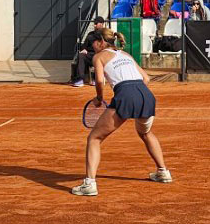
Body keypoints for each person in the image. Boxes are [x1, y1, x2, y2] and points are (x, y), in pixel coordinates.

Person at [71, 27, 171, 196]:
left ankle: (89, 184)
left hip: (127, 95)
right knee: (145, 133)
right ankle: (163, 172)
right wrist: (135, 94)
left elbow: (100, 82)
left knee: (94, 138)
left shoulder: (99, 56)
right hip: (146, 95)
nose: (92, 48)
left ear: (101, 42)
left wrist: (99, 98)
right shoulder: (126, 56)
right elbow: (146, 79)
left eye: (93, 44)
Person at [71, 17, 107, 87]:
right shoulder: (90, 34)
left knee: (98, 57)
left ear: (102, 24)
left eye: (96, 23)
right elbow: (84, 45)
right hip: (90, 55)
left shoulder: (105, 34)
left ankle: (96, 79)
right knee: (81, 55)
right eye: (94, 23)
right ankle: (80, 79)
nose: (94, 25)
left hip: (100, 55)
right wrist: (84, 49)